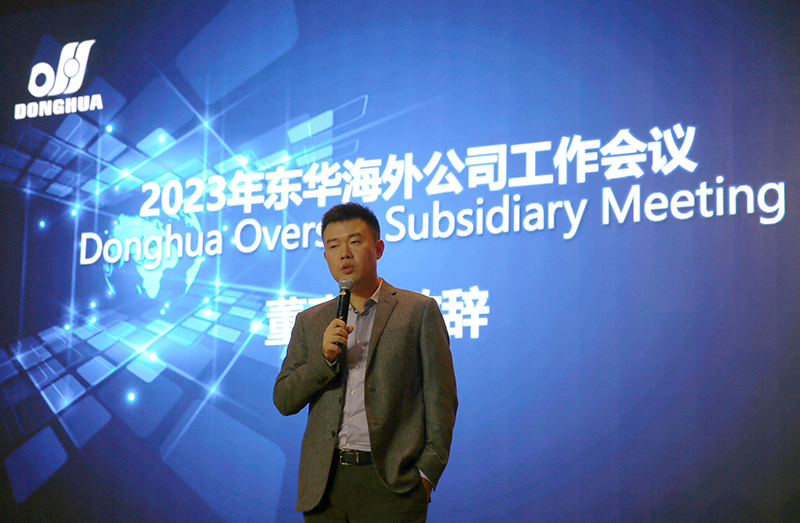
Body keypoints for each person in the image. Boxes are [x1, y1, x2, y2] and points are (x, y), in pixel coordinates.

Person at [274, 202, 458, 522]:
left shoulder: (418, 311)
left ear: (379, 248)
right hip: (325, 487)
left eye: (355, 242)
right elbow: (284, 399)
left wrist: (426, 475)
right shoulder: (310, 321)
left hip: (392, 484)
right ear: (325, 256)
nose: (344, 254)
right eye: (334, 246)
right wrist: (323, 359)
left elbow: (441, 400)